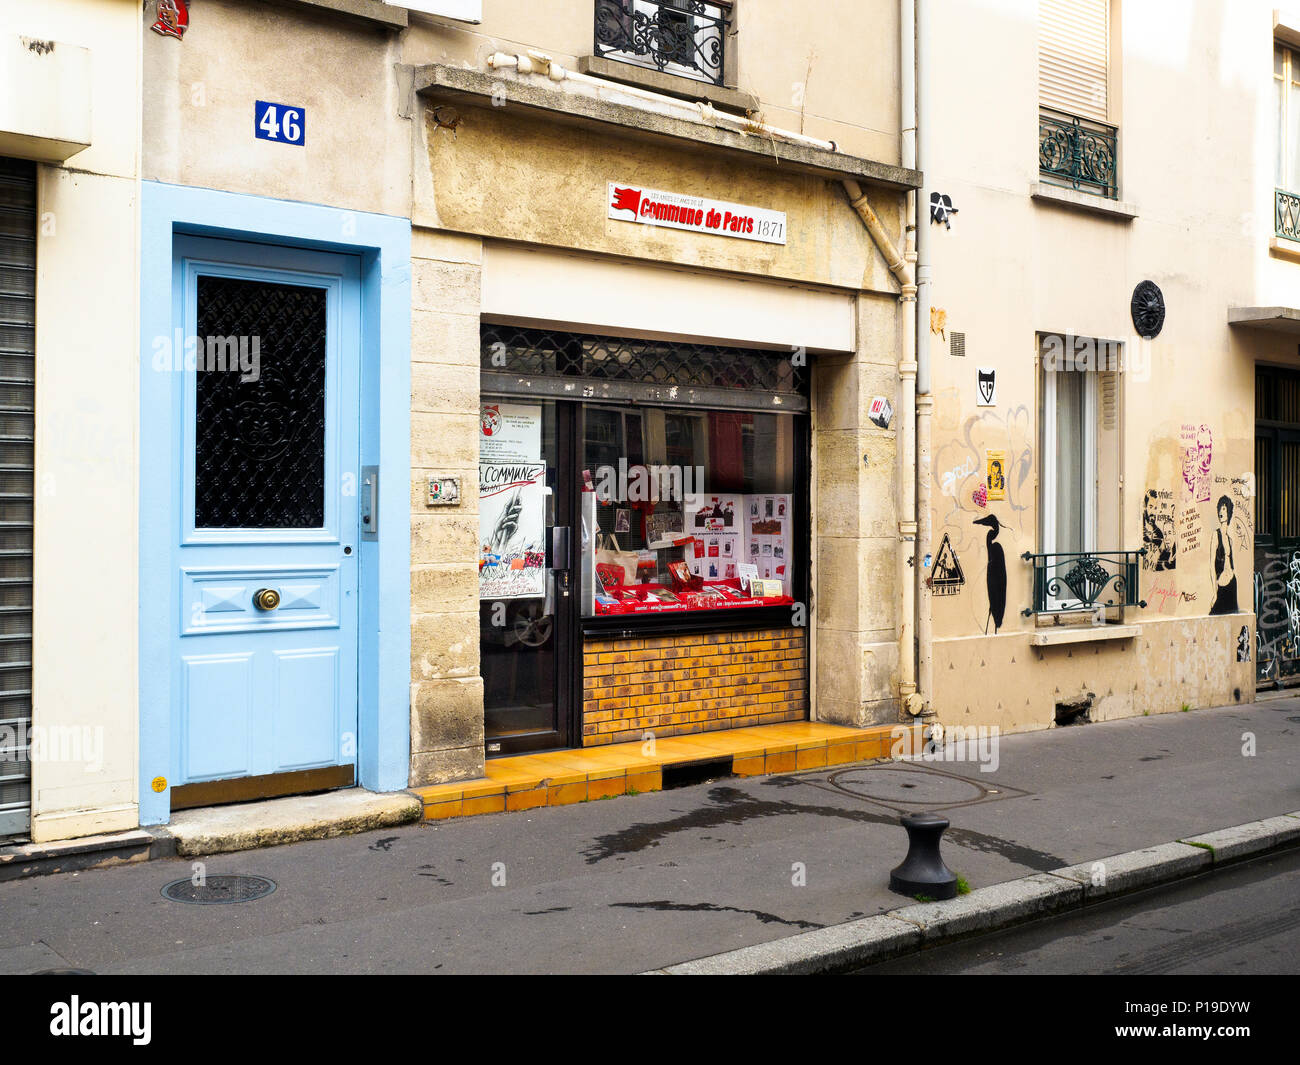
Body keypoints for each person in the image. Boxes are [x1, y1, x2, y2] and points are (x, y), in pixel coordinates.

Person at [1209, 494, 1237, 615]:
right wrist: (1215, 592)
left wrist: (1233, 573)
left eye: (1224, 509)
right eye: (1220, 508)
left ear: (1229, 512)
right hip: (1221, 585)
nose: (1221, 511)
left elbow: (1231, 564)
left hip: (1231, 583)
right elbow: (1211, 565)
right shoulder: (1216, 535)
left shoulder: (1230, 540)